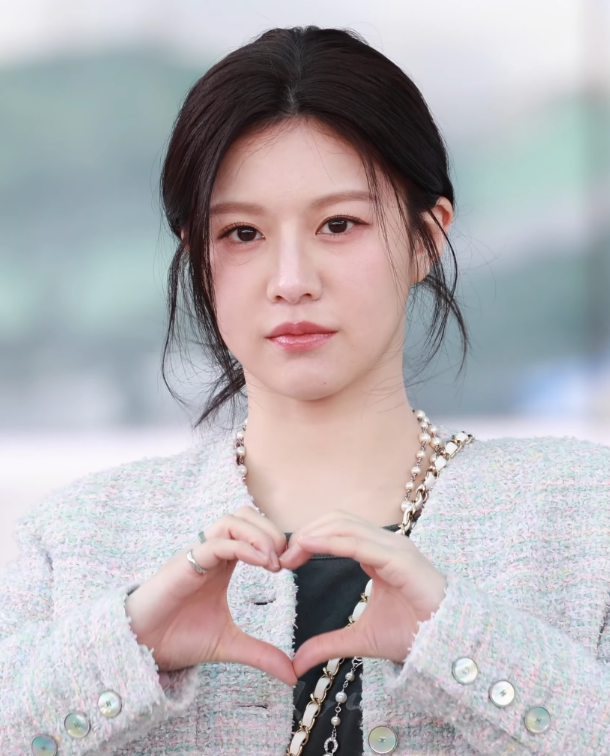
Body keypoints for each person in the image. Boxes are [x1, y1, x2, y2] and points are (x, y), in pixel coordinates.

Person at [2, 25, 609, 756]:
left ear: (427, 237)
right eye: (242, 234)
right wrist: (123, 652)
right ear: (198, 259)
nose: (291, 281)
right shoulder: (71, 542)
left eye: (339, 224)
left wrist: (467, 644)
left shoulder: (585, 518)